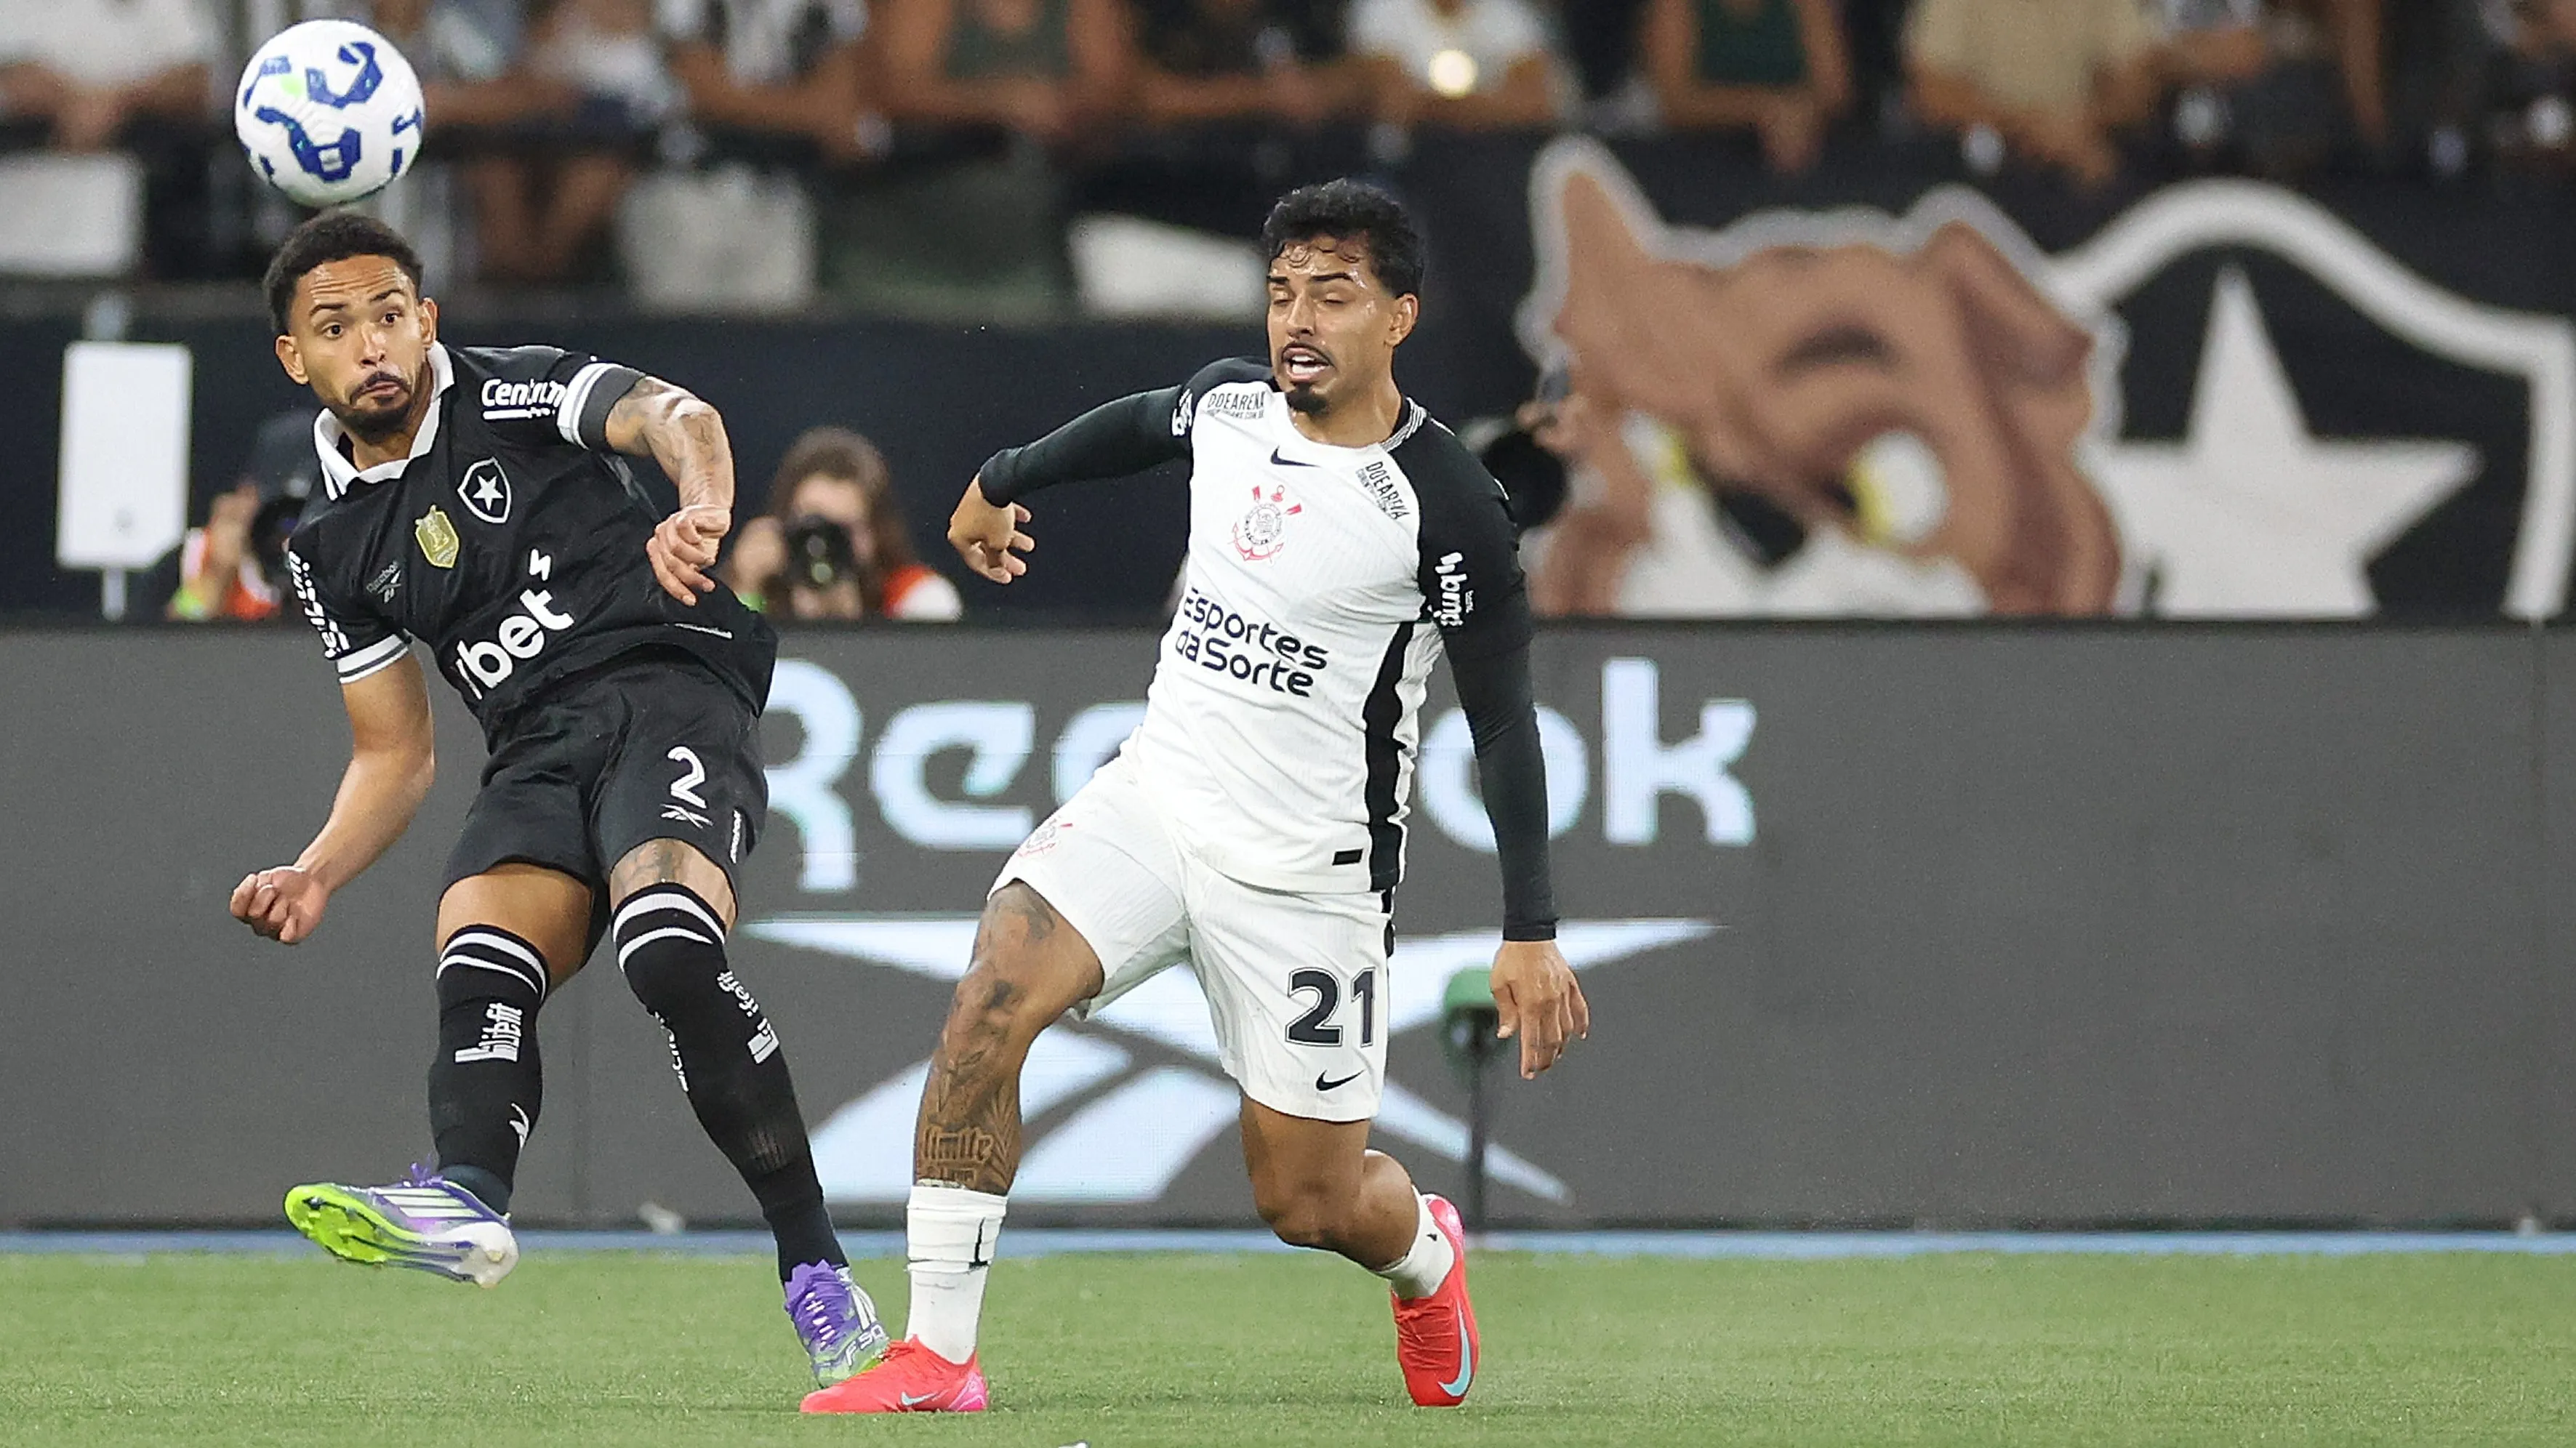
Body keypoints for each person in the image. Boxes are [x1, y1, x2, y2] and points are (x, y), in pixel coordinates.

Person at [802, 179, 1589, 1415]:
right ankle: (938, 1355)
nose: (1298, 319)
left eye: (1332, 294)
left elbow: (1500, 721)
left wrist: (1529, 928)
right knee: (990, 997)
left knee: (1307, 1202)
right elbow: (1137, 424)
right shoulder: (1229, 408)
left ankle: (1423, 1254)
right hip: (1156, 801)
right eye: (1281, 291)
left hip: (1307, 876)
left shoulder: (1447, 508)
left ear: (1399, 316)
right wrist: (1003, 475)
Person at [228, 212, 886, 1388]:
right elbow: (394, 753)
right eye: (335, 328)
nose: (371, 344)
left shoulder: (514, 391)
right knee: (478, 950)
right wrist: (315, 869)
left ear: (427, 320)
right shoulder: (327, 545)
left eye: (389, 315)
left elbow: (677, 416)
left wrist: (700, 506)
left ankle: (817, 1267)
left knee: (667, 950)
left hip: (669, 685)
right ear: (295, 357)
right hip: (534, 744)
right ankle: (469, 1200)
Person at [1903, 0, 2165, 188]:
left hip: (2084, 152)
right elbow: (1932, 89)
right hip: (1985, 159)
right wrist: (2030, 126)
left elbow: (2136, 78)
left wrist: (2086, 123)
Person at [723, 426, 965, 619]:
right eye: (813, 524)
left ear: (876, 532)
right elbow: (728, 659)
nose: (826, 544)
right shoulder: (758, 590)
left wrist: (850, 624)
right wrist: (746, 591)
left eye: (844, 530)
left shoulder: (918, 598)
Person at [1642, 0, 1853, 172]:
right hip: (1698, 156)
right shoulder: (1676, 5)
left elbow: (1834, 89)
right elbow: (1676, 102)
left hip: (1801, 152)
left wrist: (1800, 111)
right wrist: (1763, 110)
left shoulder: (1807, 5)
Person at [151, 411, 320, 624]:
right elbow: (155, 642)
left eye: (306, 509)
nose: (289, 529)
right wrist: (216, 576)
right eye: (278, 510)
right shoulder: (192, 559)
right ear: (246, 493)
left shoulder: (351, 559)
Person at [1349, 0, 1562, 131]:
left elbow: (1537, 103)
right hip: (1410, 150)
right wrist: (1487, 104)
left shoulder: (1506, 12)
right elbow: (1394, 101)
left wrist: (1436, 104)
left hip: (1490, 149)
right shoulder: (1383, 8)